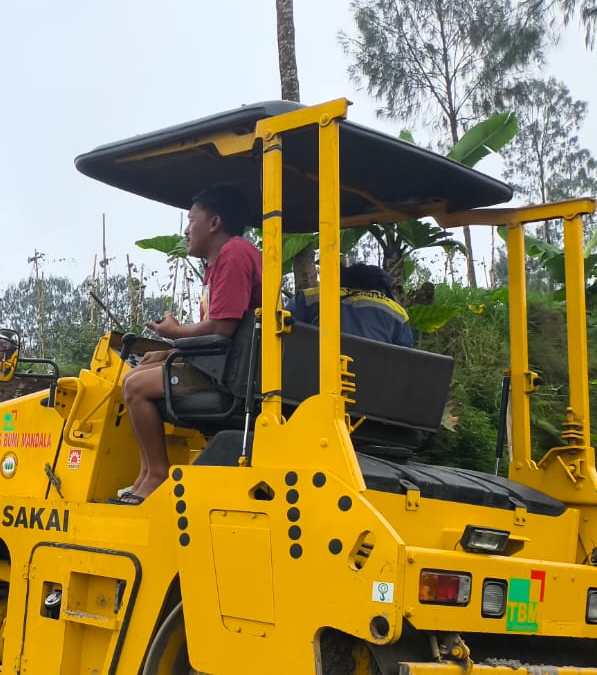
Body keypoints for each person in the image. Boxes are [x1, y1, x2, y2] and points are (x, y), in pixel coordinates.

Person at [115, 184, 262, 505]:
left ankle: (157, 474)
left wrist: (175, 333)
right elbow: (221, 332)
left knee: (136, 386)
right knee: (132, 376)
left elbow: (223, 328)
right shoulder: (220, 263)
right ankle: (144, 474)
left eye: (191, 219)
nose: (186, 229)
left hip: (232, 374)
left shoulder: (235, 254)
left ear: (214, 223)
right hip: (222, 361)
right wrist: (169, 351)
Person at [290, 262, 416, 347]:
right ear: (382, 288)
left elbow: (279, 329)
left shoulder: (309, 297)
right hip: (374, 380)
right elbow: (404, 359)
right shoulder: (397, 312)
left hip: (313, 375)